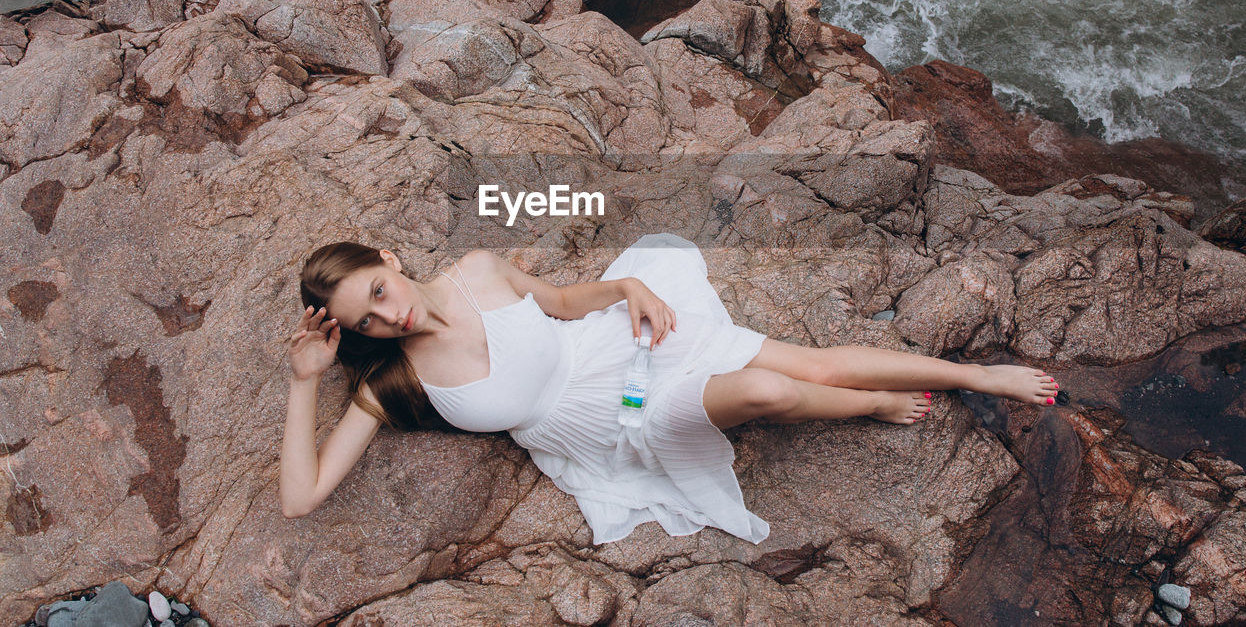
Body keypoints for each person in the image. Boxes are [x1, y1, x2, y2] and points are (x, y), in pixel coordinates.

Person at [280, 233, 1058, 544]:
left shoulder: (478, 270)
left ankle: (973, 374)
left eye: (379, 290)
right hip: (616, 422)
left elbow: (558, 301)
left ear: (387, 256)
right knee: (772, 392)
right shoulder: (395, 383)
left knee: (809, 362)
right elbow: (300, 497)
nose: (390, 314)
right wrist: (304, 381)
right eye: (367, 322)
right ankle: (871, 403)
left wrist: (624, 288)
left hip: (624, 341)